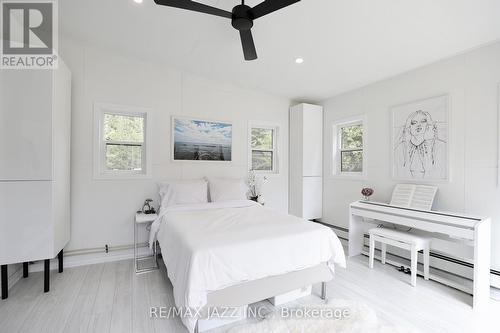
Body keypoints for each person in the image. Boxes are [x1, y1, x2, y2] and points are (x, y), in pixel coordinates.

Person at [394, 110, 446, 179]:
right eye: (414, 123)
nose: (419, 125)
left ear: (428, 125)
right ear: (409, 127)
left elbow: (440, 173)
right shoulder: (400, 148)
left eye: (423, 121)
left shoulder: (440, 146)